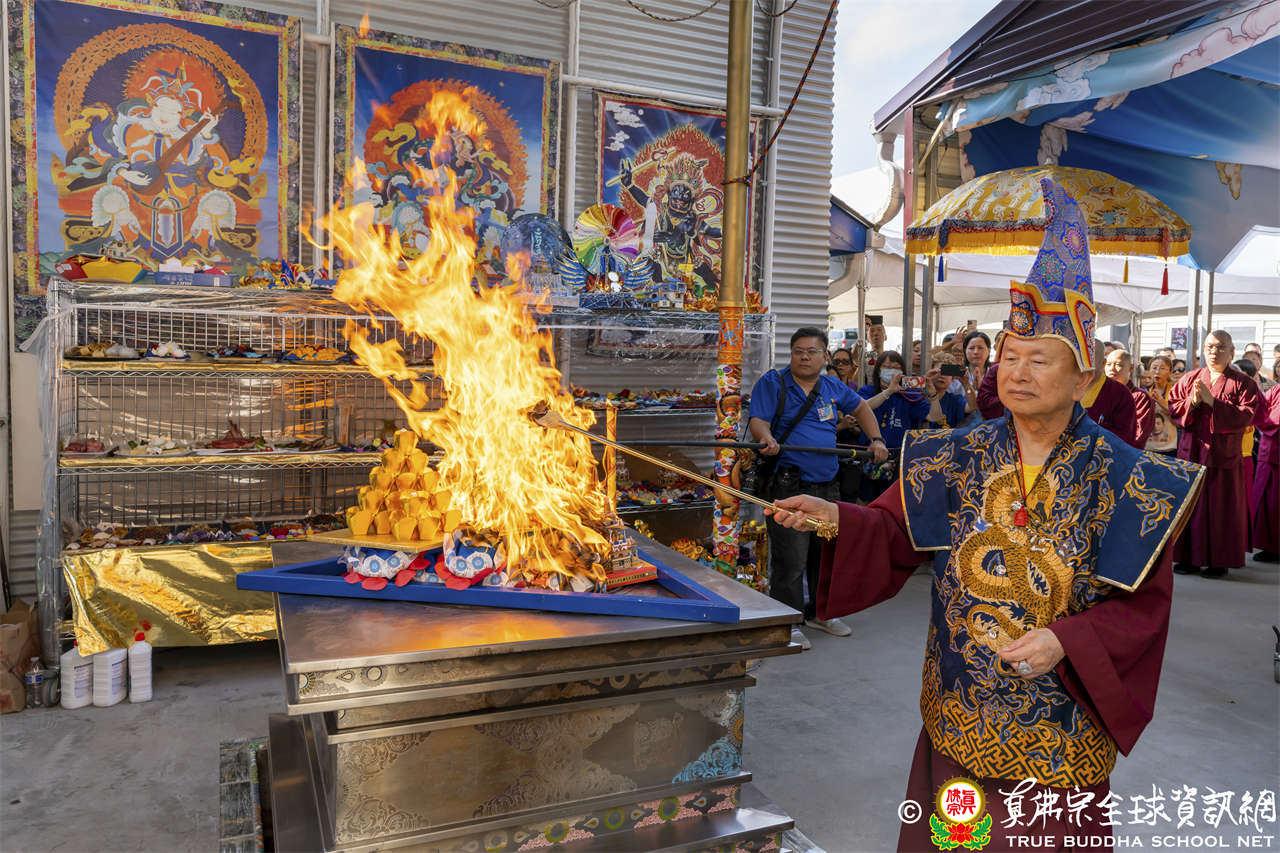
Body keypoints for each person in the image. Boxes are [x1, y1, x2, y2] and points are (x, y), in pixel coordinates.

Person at [767, 180, 1202, 851]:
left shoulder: (1132, 478)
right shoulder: (954, 453)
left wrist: (1069, 640)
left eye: (1038, 359)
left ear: (1085, 378)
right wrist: (836, 515)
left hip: (1058, 722)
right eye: (1009, 357)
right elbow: (894, 530)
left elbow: (1144, 608)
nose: (1016, 372)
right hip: (962, 704)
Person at [749, 327, 887, 646]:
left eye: (812, 351)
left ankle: (820, 613)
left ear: (825, 355)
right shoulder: (773, 382)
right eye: (798, 351)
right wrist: (766, 438)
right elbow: (759, 420)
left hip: (828, 484)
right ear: (791, 353)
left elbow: (862, 408)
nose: (804, 357)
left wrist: (877, 439)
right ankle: (788, 622)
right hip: (789, 482)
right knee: (791, 558)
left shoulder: (832, 386)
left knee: (825, 555)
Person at [1169, 331, 1261, 578]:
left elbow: (1246, 416)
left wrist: (1213, 403)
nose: (1214, 351)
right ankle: (1188, 558)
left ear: (1231, 352)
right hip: (1192, 452)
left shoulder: (1243, 383)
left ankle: (1218, 562)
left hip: (1223, 456)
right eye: (1209, 346)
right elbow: (1174, 407)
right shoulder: (1190, 379)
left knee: (1221, 509)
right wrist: (1192, 403)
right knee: (1190, 507)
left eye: (1220, 347)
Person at [977, 342, 1141, 447]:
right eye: (1011, 358)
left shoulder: (1120, 394)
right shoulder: (1059, 382)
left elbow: (1124, 438)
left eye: (1038, 361)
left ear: (1103, 363)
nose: (1083, 366)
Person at [858, 351, 930, 501]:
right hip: (870, 455)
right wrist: (889, 391)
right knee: (865, 500)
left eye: (896, 368)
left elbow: (932, 416)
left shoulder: (910, 394)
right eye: (887, 366)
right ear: (878, 370)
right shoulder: (867, 391)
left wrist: (933, 396)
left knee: (893, 501)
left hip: (899, 459)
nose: (891, 371)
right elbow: (861, 408)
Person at [1250, 357, 1280, 563]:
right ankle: (1268, 546)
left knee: (1275, 502)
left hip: (1276, 453)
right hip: (1266, 451)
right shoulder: (1275, 390)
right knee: (1264, 500)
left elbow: (1271, 420)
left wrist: (1259, 419)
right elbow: (1259, 408)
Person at [1104, 348, 1155, 447]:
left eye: (1118, 365)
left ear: (1131, 368)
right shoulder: (1100, 393)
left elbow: (1139, 434)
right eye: (1108, 364)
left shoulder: (1141, 397)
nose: (1112, 369)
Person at [1145, 355, 1179, 455]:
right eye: (1154, 368)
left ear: (1170, 372)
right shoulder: (1144, 391)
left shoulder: (1175, 391)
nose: (1157, 371)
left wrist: (1163, 403)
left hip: (1169, 446)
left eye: (1162, 368)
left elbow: (1180, 419)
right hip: (1148, 446)